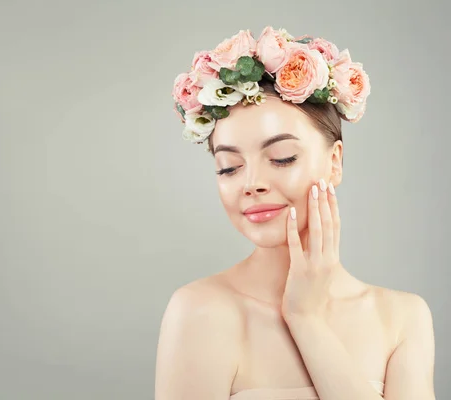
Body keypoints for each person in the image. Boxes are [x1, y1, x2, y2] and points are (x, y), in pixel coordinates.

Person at [155, 27, 436, 400]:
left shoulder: (403, 319)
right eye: (228, 167)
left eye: (282, 158)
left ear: (334, 162)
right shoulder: (200, 312)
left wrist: (308, 322)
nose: (251, 184)